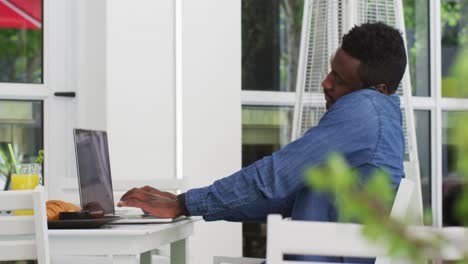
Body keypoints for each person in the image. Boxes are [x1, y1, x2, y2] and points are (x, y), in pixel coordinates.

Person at [119, 22, 407, 262]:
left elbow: (274, 176)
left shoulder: (366, 108)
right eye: (331, 71)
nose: (327, 83)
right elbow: (282, 196)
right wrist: (189, 204)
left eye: (340, 79)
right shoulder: (381, 118)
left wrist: (186, 204)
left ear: (378, 89)